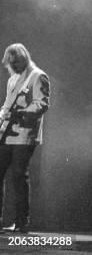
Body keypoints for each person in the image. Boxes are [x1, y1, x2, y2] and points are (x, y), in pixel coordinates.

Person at [0, 43, 50, 233]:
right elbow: (7, 102)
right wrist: (3, 112)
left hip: (24, 135)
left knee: (18, 177)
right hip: (6, 134)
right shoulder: (13, 78)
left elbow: (42, 104)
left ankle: (21, 222)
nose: (11, 67)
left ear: (21, 60)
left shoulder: (38, 76)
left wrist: (20, 113)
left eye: (14, 63)